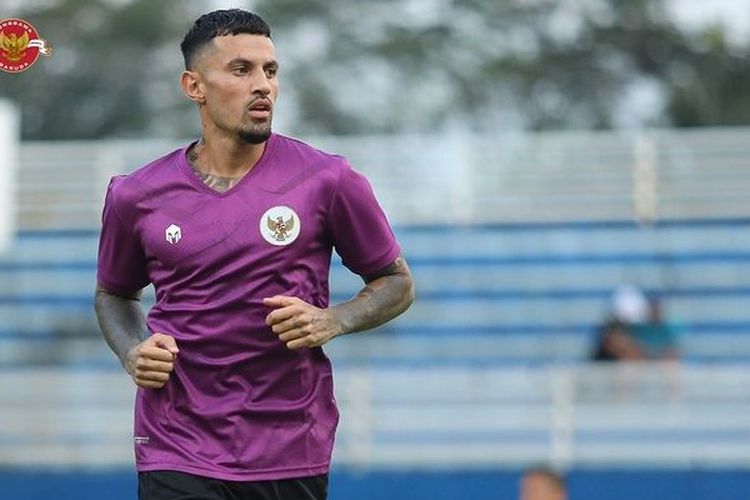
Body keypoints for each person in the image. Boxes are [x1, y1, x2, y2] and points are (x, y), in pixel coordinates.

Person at [94, 9, 414, 500]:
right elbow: (114, 294)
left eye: (270, 70)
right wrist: (133, 350)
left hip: (289, 444)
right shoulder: (136, 194)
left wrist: (334, 319)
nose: (262, 85)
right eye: (241, 70)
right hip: (176, 442)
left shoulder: (327, 180)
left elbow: (396, 282)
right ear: (194, 86)